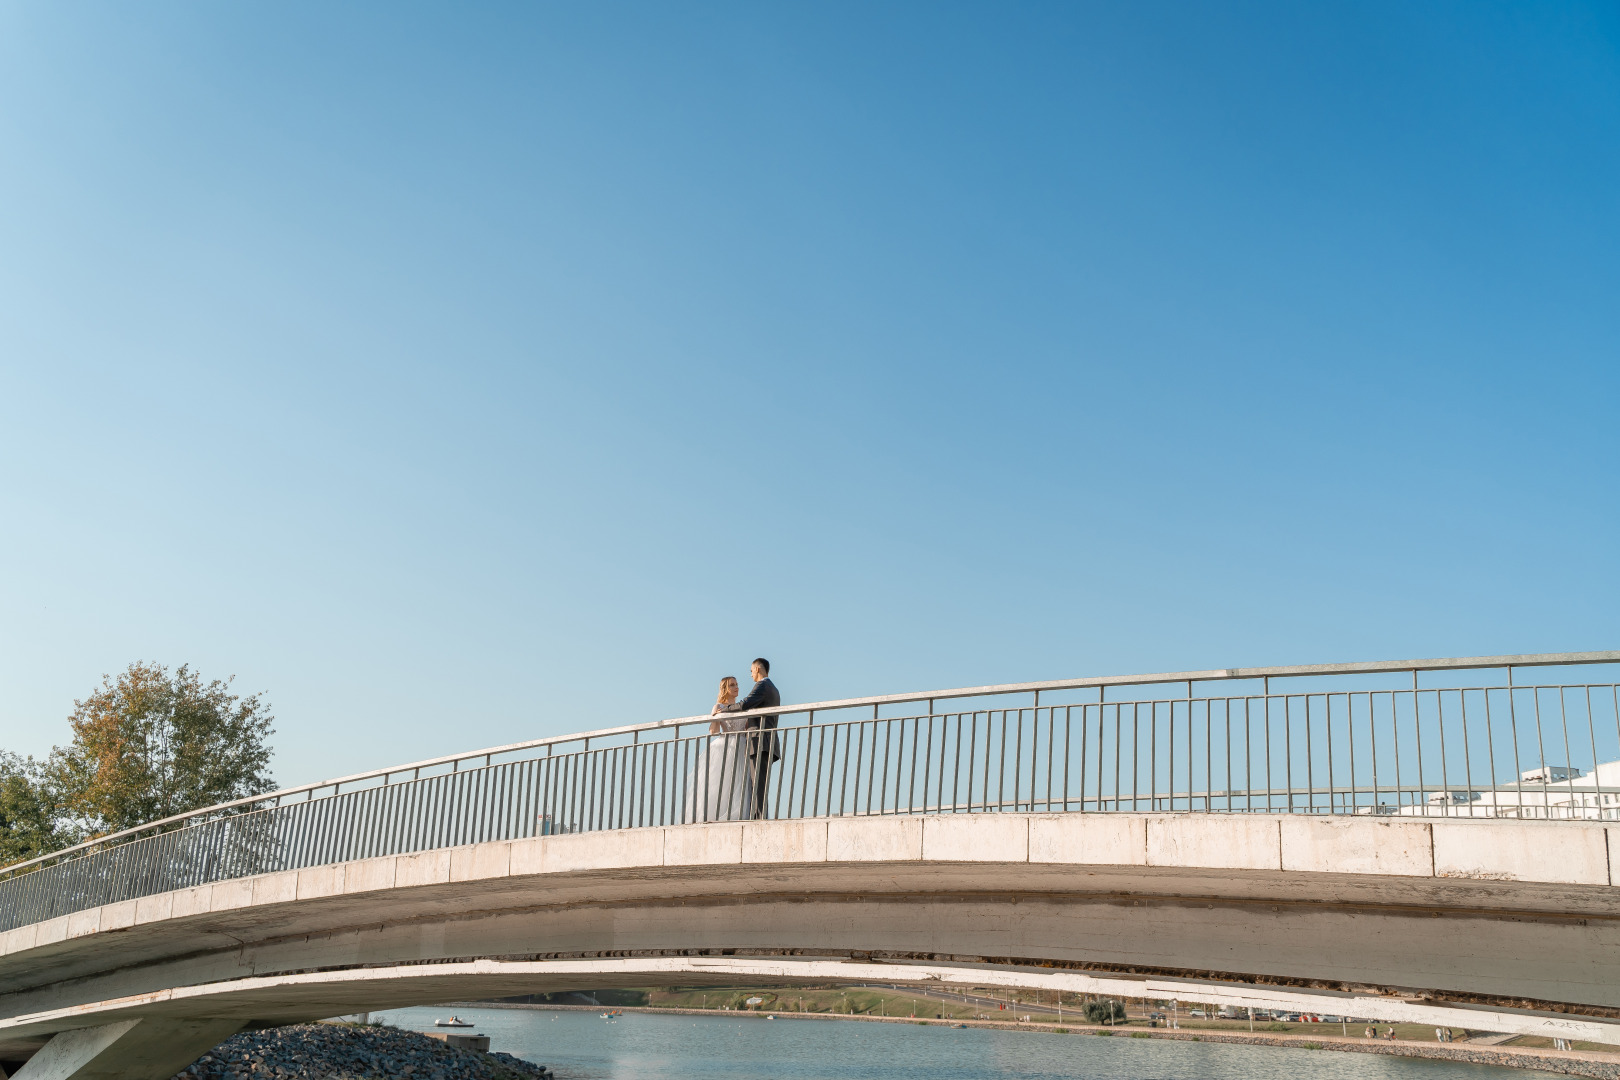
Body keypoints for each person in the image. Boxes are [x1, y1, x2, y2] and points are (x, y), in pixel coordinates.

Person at [716, 658, 780, 819]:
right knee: (757, 784)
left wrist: (725, 709)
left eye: (751, 671)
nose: (750, 675)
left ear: (757, 669)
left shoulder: (763, 686)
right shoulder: (773, 688)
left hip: (759, 741)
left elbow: (745, 704)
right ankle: (758, 817)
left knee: (757, 785)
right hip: (765, 741)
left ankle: (758, 819)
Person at [683, 676, 754, 821]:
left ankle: (742, 814)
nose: (736, 687)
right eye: (732, 685)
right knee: (724, 782)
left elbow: (747, 729)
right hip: (727, 745)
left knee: (741, 782)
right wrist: (715, 717)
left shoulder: (743, 706)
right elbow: (713, 732)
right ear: (725, 689)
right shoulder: (719, 706)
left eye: (737, 684)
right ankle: (718, 815)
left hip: (742, 745)